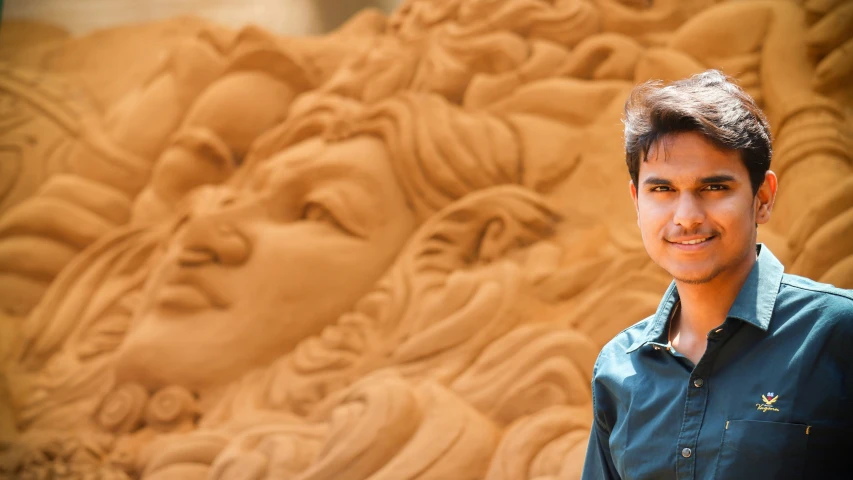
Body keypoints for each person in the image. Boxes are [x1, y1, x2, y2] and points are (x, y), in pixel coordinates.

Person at [581, 69, 853, 479]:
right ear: (637, 202)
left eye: (713, 188)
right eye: (663, 190)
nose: (687, 218)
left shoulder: (836, 334)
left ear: (762, 198)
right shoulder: (619, 369)